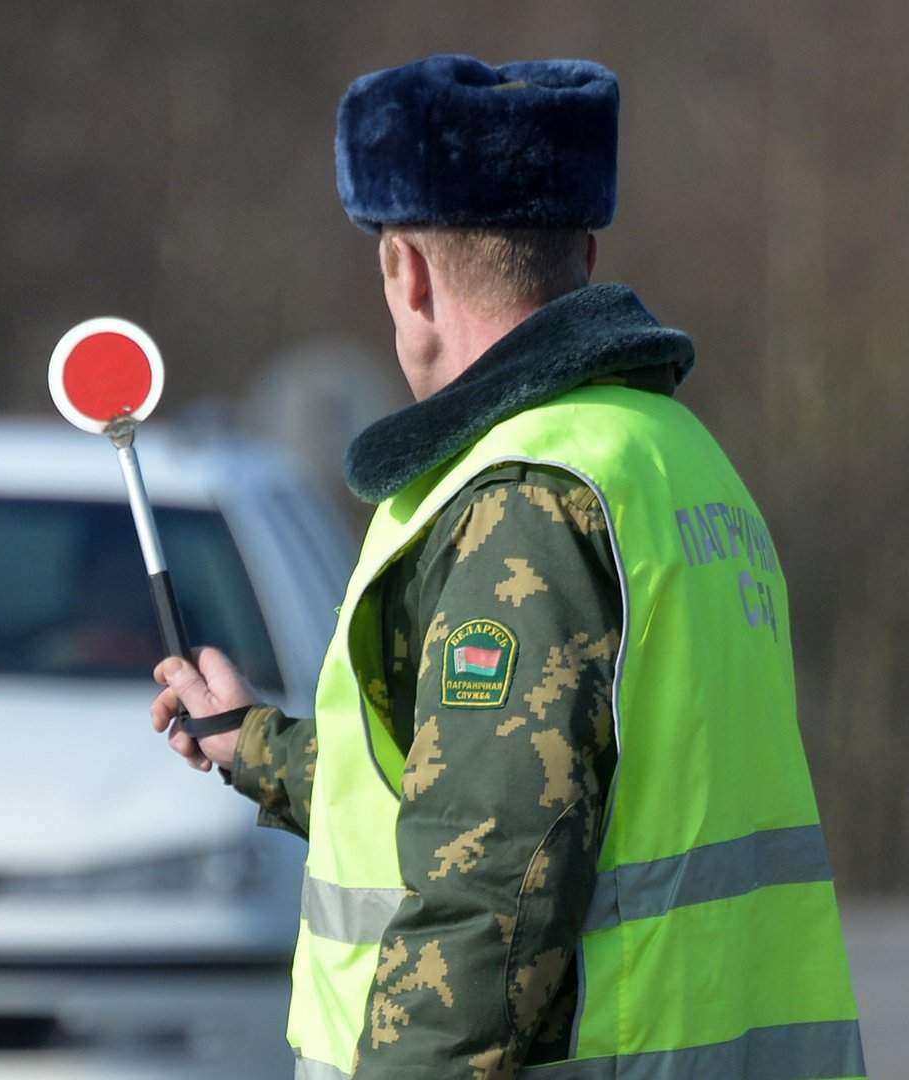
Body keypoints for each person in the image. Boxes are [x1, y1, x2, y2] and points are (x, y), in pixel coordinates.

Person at [150, 55, 863, 1079]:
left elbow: (490, 889)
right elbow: (506, 788)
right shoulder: (671, 457)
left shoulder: (524, 499)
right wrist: (254, 744)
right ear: (583, 245)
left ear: (408, 269)